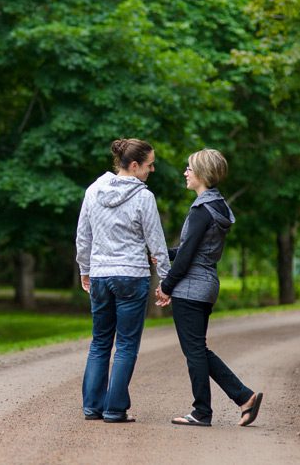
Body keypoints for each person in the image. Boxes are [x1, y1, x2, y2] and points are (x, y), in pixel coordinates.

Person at [155, 148, 263, 427]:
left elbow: (188, 254)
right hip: (206, 285)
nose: (185, 173)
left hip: (191, 287)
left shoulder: (201, 210)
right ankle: (244, 397)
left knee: (194, 352)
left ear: (202, 174)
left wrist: (166, 286)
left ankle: (202, 412)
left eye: (189, 168)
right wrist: (161, 253)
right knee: (198, 349)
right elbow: (190, 250)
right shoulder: (218, 207)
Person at [76, 138, 171, 423]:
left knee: (100, 342)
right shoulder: (143, 198)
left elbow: (83, 236)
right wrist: (166, 280)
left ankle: (92, 406)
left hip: (102, 275)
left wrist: (85, 269)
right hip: (131, 276)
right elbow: (156, 242)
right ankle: (115, 409)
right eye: (149, 165)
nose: (152, 170)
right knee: (127, 345)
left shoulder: (93, 191)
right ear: (134, 165)